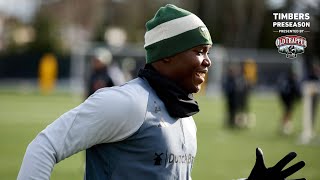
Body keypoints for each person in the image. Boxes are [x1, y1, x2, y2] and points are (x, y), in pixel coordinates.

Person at [17, 4, 305, 180]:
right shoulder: (126, 103)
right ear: (167, 55)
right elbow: (43, 148)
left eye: (208, 52)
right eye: (199, 51)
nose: (208, 61)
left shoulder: (185, 118)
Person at [277, 69, 302, 135]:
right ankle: (286, 126)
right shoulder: (291, 81)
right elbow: (296, 91)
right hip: (287, 99)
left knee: (287, 112)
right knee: (288, 112)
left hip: (286, 98)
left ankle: (284, 125)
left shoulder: (286, 80)